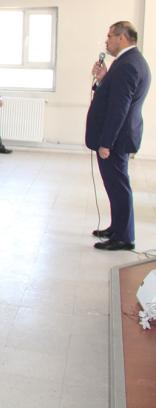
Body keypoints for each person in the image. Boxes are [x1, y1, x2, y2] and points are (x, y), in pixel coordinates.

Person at [87, 21, 151, 251]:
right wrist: (103, 78)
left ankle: (124, 237)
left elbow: (119, 109)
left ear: (122, 37)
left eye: (110, 36)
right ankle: (117, 228)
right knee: (115, 186)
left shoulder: (127, 65)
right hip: (120, 136)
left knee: (118, 187)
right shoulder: (129, 61)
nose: (107, 41)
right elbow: (114, 96)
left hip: (116, 139)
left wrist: (106, 143)